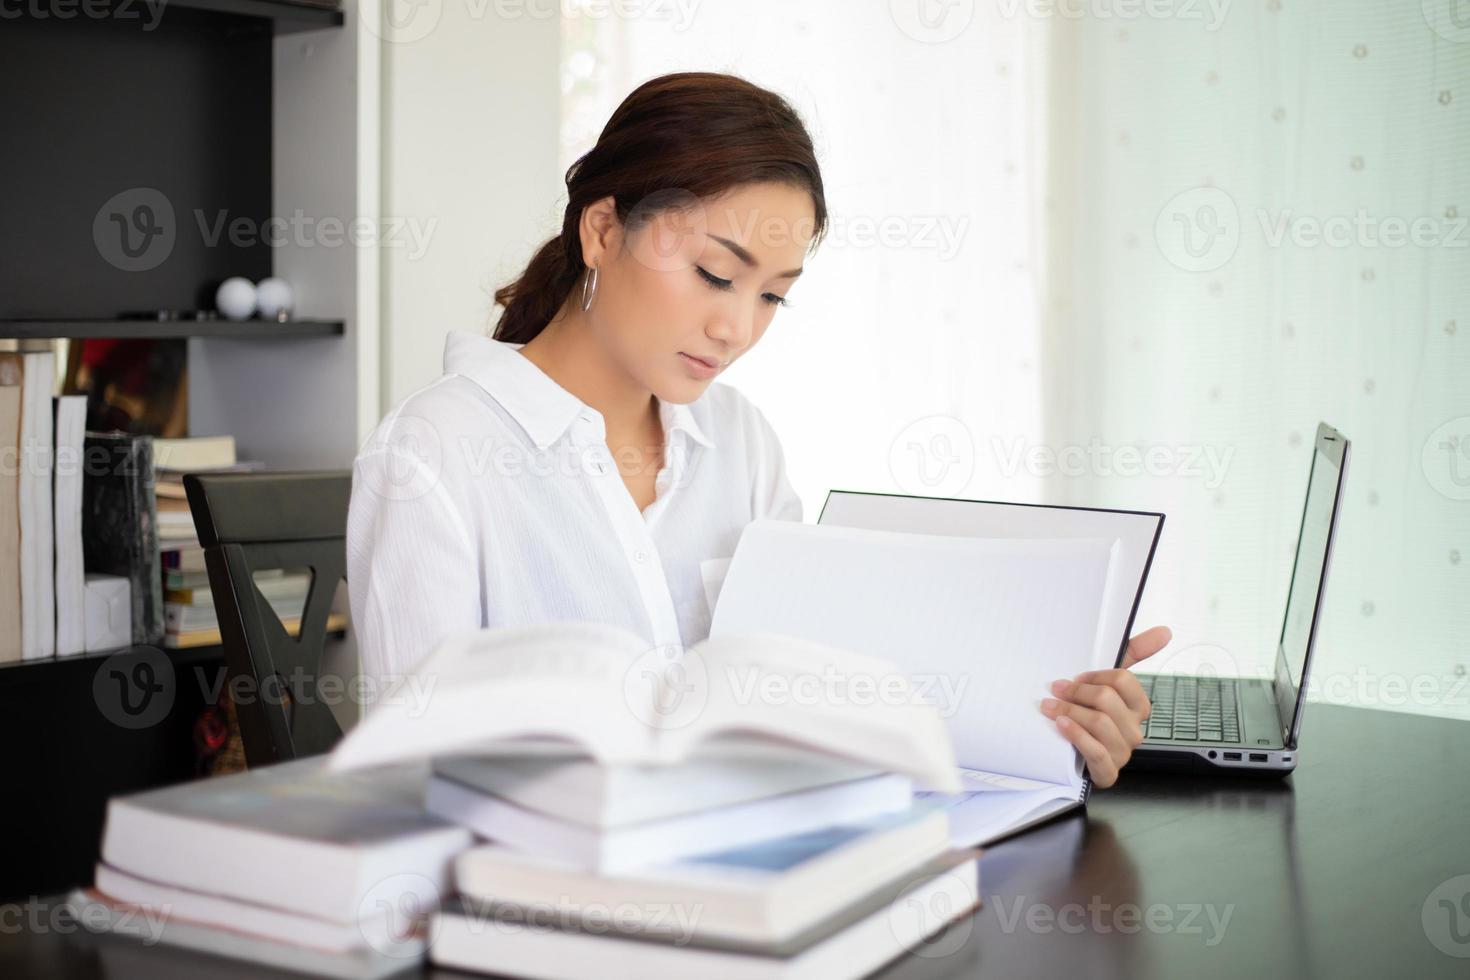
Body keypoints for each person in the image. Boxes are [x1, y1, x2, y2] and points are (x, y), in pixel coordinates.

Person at [347, 70, 1169, 788]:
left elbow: (811, 696)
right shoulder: (434, 455)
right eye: (715, 274)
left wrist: (1046, 710)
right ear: (601, 231)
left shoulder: (737, 442)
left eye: (772, 295)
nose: (738, 329)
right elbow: (414, 778)